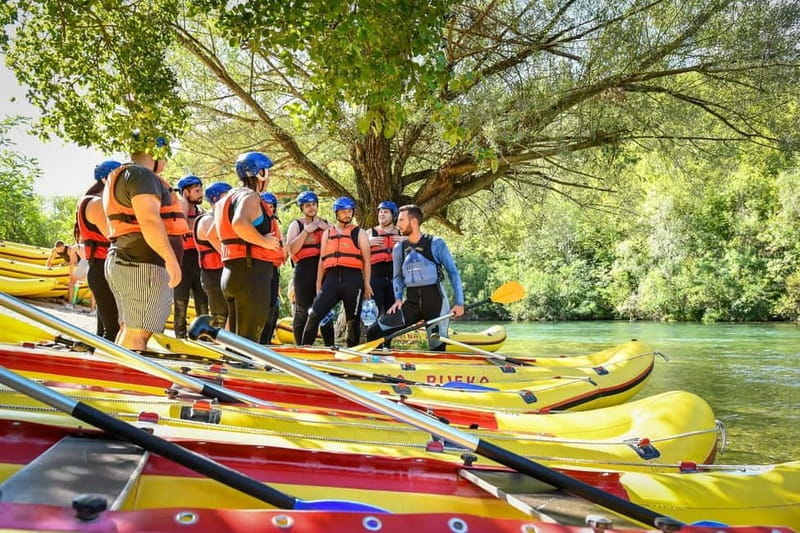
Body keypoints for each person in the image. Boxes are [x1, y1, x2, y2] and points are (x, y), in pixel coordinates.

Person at [103, 133, 187, 350]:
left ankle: (117, 379)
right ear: (156, 152)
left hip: (127, 259)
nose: (166, 162)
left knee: (130, 328)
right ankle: (128, 383)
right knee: (138, 332)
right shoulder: (141, 175)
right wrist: (170, 258)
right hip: (142, 265)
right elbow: (149, 219)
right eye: (165, 155)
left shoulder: (124, 174)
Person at [366, 204, 464, 351]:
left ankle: (437, 370)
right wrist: (398, 298)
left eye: (401, 220)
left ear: (413, 222)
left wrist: (459, 303)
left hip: (436, 304)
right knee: (374, 331)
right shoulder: (399, 248)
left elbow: (453, 273)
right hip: (411, 304)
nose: (397, 224)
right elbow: (397, 277)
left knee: (436, 346)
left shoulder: (436, 243)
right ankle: (379, 365)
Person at [216, 152, 284, 342]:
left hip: (232, 272)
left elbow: (215, 231)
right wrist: (265, 242)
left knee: (236, 340)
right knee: (249, 340)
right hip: (251, 274)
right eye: (267, 171)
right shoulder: (251, 197)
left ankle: (232, 365)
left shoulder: (227, 198)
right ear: (260, 173)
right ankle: (242, 368)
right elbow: (239, 223)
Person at [301, 196, 372, 347]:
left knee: (352, 321)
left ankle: (351, 355)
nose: (347, 214)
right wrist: (319, 284)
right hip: (331, 280)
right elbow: (322, 260)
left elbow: (366, 261)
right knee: (314, 314)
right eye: (343, 212)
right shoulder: (328, 233)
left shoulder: (359, 233)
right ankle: (303, 349)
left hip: (353, 280)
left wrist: (367, 284)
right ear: (336, 213)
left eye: (349, 211)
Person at [74, 159, 121, 340]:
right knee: (113, 330)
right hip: (102, 269)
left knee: (106, 331)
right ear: (106, 180)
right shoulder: (96, 203)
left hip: (103, 268)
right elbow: (113, 234)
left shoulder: (99, 201)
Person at [284, 190, 334, 346]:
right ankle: (302, 346)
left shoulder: (326, 224)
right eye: (307, 206)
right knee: (302, 310)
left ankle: (330, 347)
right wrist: (307, 231)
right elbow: (291, 250)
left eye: (313, 205)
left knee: (326, 310)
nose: (311, 208)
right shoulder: (296, 224)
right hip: (304, 270)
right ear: (302, 208)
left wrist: (325, 228)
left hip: (324, 270)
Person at [172, 175, 209, 338]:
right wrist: (184, 201)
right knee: (181, 300)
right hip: (183, 259)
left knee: (202, 300)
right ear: (186, 192)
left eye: (201, 190)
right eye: (197, 190)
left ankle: (203, 335)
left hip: (198, 259)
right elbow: (182, 223)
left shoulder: (201, 212)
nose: (201, 194)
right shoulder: (180, 207)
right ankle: (180, 335)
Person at [193, 181, 231, 329]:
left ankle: (231, 348)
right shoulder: (207, 220)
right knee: (219, 317)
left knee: (230, 315)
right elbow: (222, 249)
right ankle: (217, 348)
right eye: (226, 196)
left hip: (223, 273)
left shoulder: (221, 219)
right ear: (216, 199)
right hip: (213, 275)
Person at [258, 192, 286, 344]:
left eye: (271, 207)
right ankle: (257, 342)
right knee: (262, 307)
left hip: (273, 269)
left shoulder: (274, 223)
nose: (269, 209)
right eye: (266, 206)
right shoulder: (257, 223)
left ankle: (266, 342)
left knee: (273, 308)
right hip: (261, 268)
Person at [368, 201, 404, 314]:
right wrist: (367, 243)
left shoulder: (401, 233)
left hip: (395, 275)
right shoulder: (370, 232)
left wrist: (407, 240)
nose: (381, 214)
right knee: (374, 312)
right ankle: (373, 331)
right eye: (380, 212)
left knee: (393, 313)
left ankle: (391, 332)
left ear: (393, 215)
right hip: (375, 276)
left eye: (386, 212)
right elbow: (356, 249)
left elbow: (420, 241)